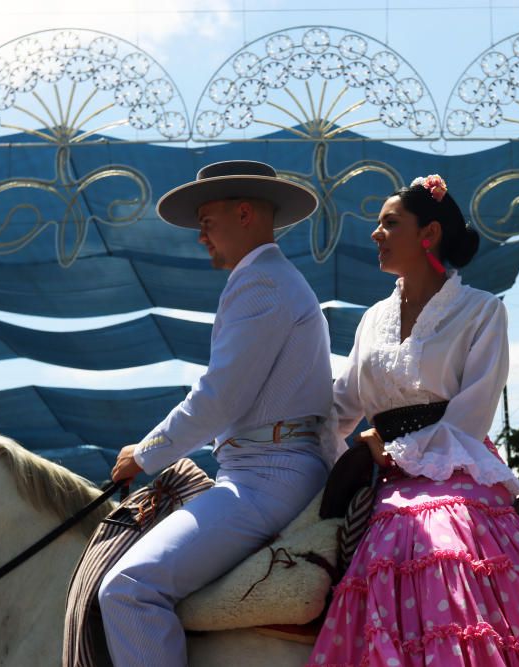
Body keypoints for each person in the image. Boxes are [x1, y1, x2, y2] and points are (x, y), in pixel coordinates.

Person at [308, 175, 519, 666]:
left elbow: (470, 418)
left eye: (390, 223)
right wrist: (321, 461)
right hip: (377, 469)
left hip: (453, 466)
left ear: (428, 234)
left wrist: (391, 454)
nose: (376, 234)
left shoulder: (483, 312)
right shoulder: (372, 319)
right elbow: (338, 407)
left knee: (438, 531)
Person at [99, 160, 336, 667]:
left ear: (245, 212)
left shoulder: (262, 283)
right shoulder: (268, 280)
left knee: (128, 589)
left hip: (265, 477)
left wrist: (145, 454)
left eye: (206, 223)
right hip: (262, 468)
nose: (201, 237)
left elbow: (219, 398)